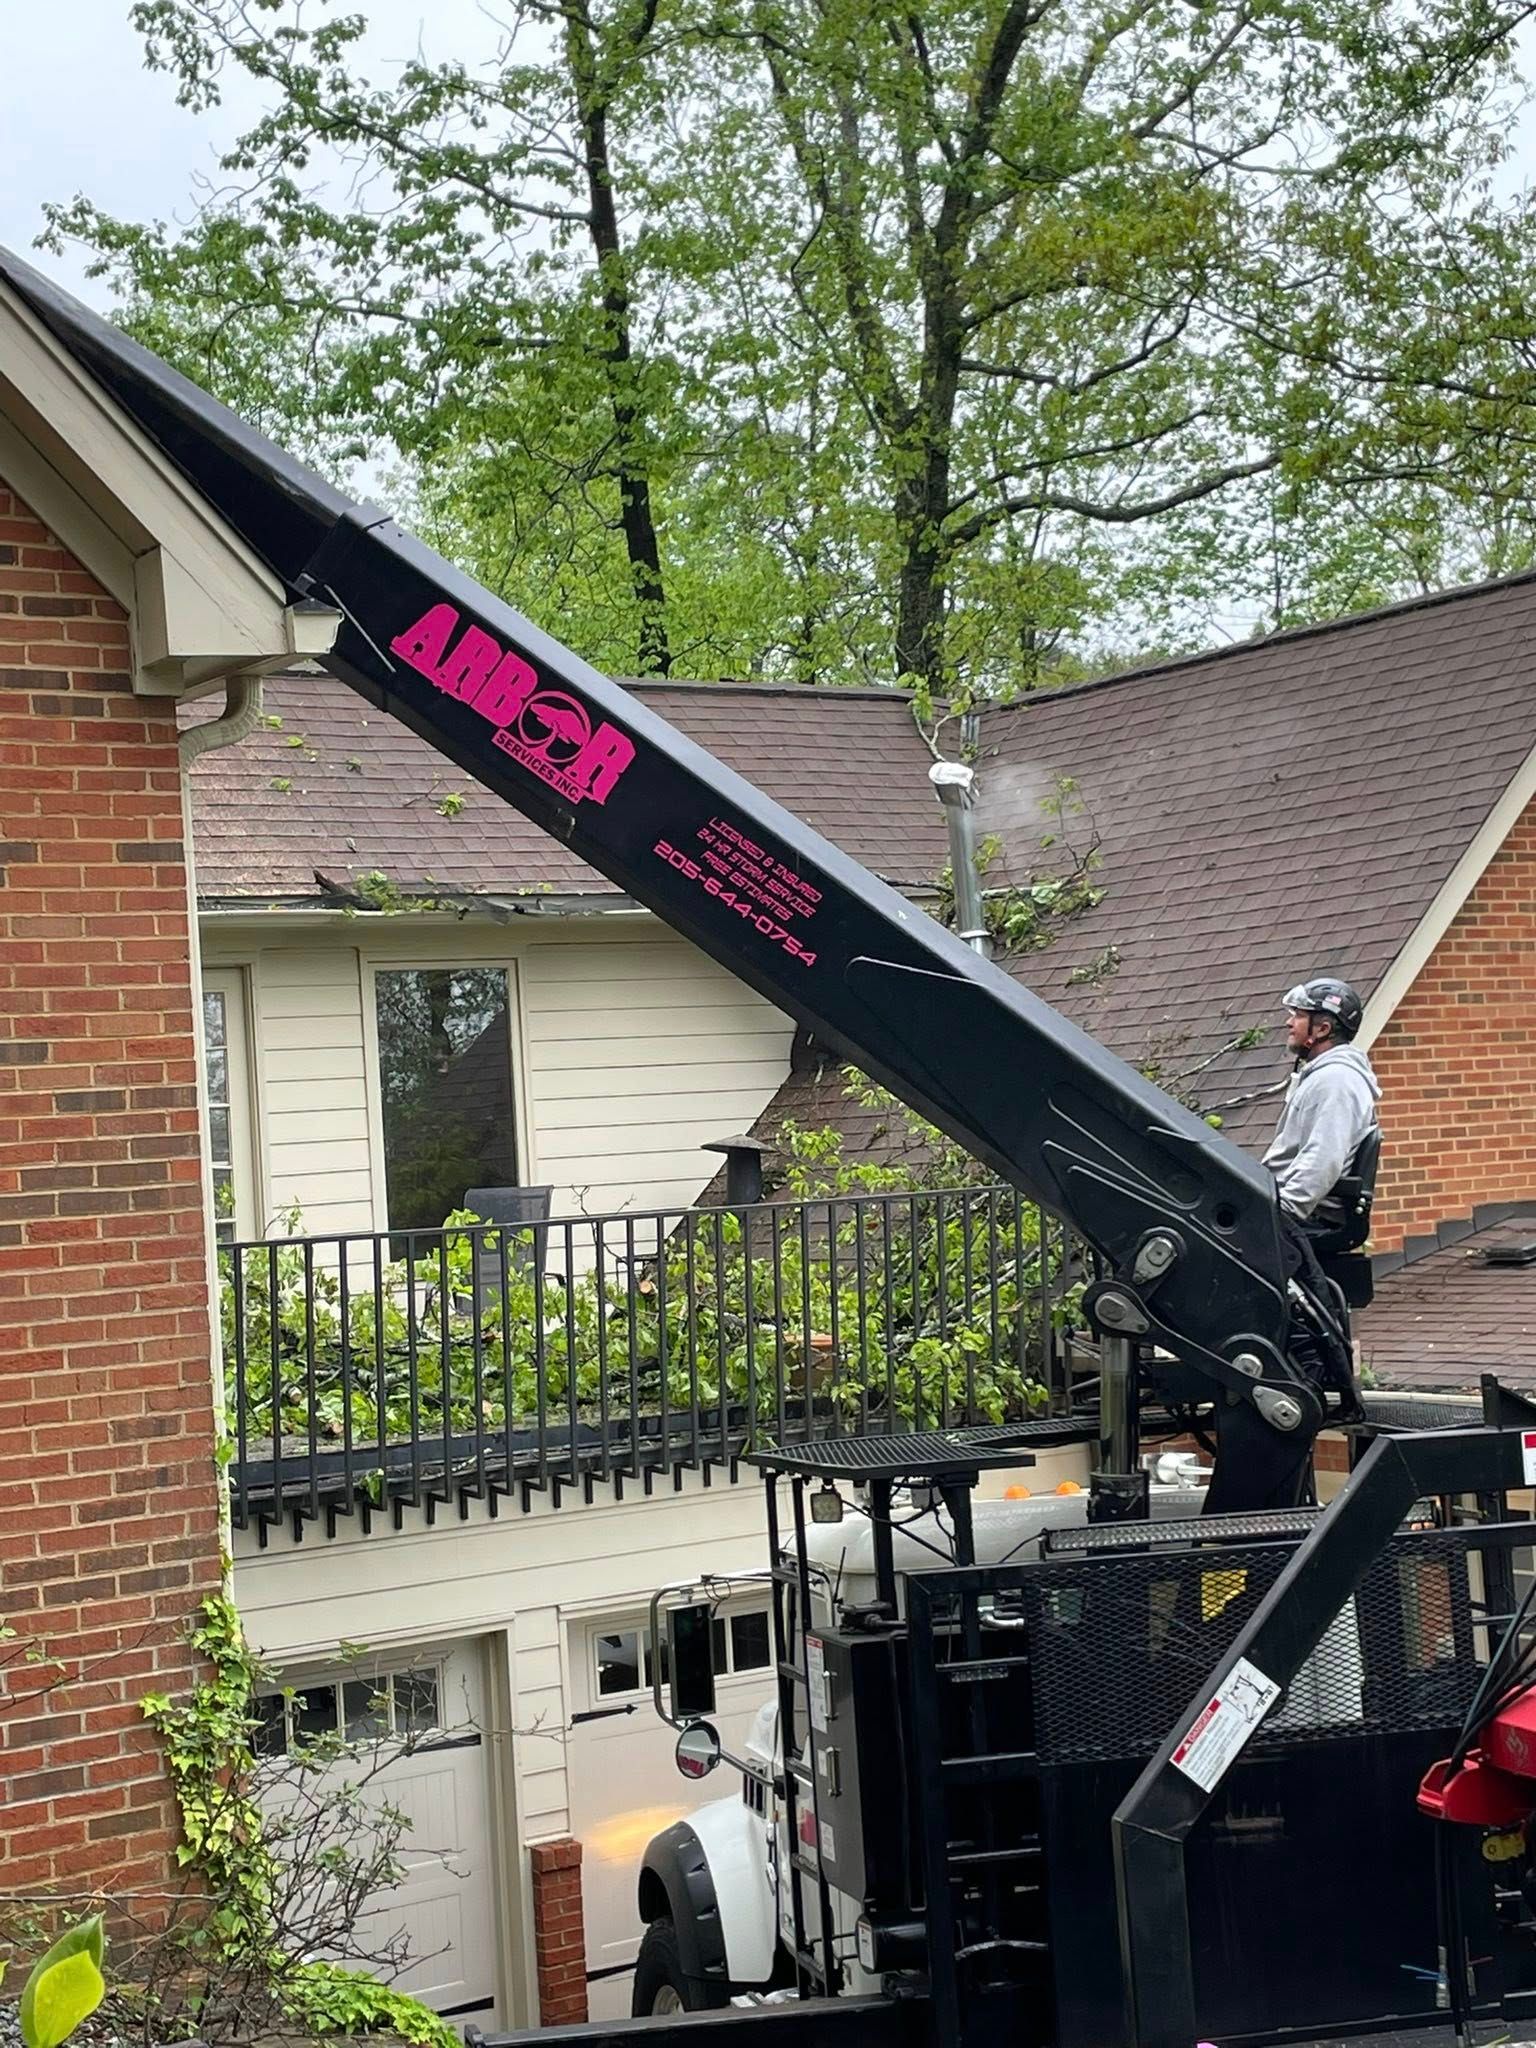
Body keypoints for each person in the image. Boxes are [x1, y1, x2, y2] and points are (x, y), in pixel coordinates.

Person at [1263, 976, 1380, 1226]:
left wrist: (1281, 1215)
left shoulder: (1337, 1081)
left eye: (1299, 1015)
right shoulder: (1324, 1076)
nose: (1289, 1022)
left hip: (1301, 1219)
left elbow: (1323, 1159)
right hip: (1281, 1204)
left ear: (1322, 1029)